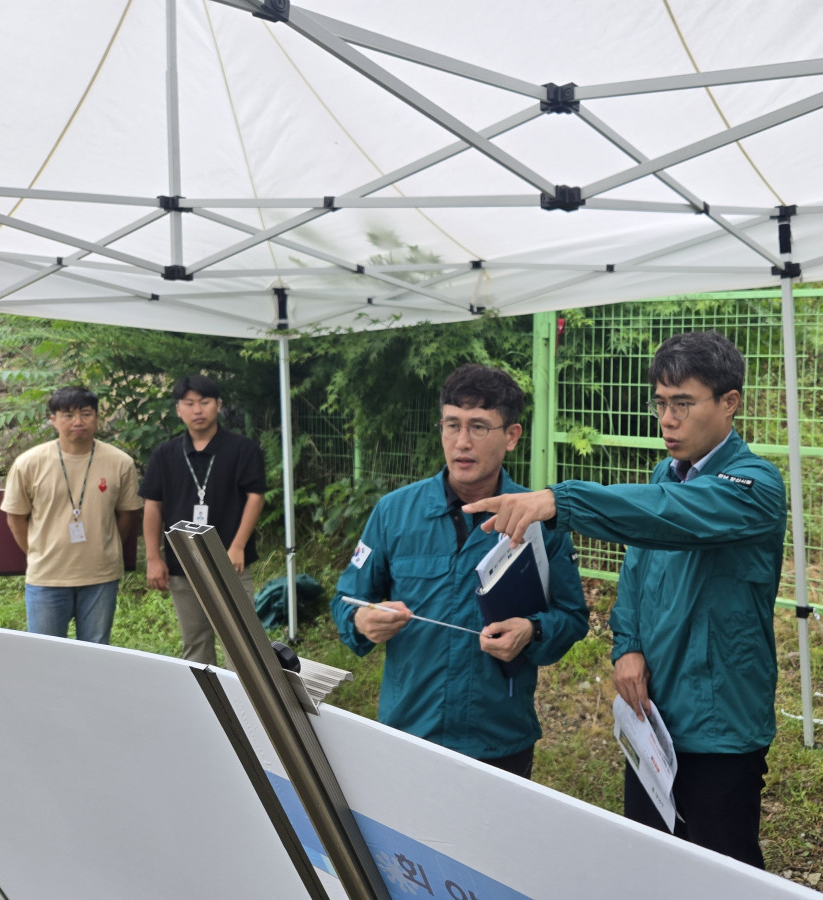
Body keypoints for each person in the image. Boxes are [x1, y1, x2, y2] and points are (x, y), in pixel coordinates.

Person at [465, 331, 786, 867]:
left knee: (720, 870)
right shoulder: (667, 473)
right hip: (652, 713)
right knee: (648, 858)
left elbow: (667, 515)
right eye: (660, 403)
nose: (667, 419)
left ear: (730, 402)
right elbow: (638, 566)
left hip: (718, 720)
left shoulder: (754, 486)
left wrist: (559, 500)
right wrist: (628, 646)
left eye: (682, 404)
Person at [329, 364, 588, 778]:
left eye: (479, 427)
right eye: (452, 425)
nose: (462, 442)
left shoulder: (538, 519)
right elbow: (345, 600)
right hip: (409, 731)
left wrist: (532, 631)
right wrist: (361, 619)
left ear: (512, 436)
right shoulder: (395, 513)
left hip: (498, 737)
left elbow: (572, 617)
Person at [140, 374, 267, 665]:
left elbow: (255, 497)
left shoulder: (242, 449)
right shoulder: (165, 454)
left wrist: (237, 546)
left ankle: (244, 705)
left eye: (205, 402)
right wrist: (153, 557)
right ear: (178, 409)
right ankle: (207, 704)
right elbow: (152, 505)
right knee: (195, 643)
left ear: (219, 406)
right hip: (182, 563)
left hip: (231, 561)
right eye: (189, 403)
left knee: (242, 644)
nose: (198, 410)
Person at [0, 386, 143, 643]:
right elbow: (15, 518)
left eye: (86, 413)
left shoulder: (120, 462)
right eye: (67, 415)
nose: (78, 421)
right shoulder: (29, 463)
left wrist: (105, 548)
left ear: (98, 418)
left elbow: (126, 514)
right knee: (45, 656)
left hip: (101, 576)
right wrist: (38, 550)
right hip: (47, 576)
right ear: (53, 419)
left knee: (95, 653)